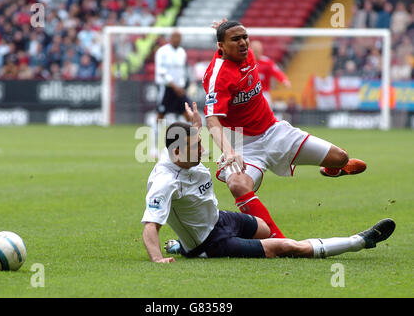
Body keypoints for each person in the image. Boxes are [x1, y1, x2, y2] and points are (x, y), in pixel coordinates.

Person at [141, 102, 395, 262]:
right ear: (176, 154)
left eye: (199, 143)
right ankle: (360, 241)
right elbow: (150, 226)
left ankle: (183, 245)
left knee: (263, 228)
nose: (202, 150)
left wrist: (196, 124)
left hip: (220, 219)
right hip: (210, 242)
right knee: (283, 246)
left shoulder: (180, 152)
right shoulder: (165, 181)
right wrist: (157, 259)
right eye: (195, 147)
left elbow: (187, 141)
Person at [202, 20, 367, 239]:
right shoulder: (218, 77)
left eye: (245, 37)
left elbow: (233, 42)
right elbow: (212, 121)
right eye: (236, 39)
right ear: (221, 46)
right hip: (245, 146)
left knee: (341, 157)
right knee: (237, 185)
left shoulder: (247, 54)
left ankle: (334, 169)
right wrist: (229, 151)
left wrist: (225, 29)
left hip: (275, 132)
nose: (243, 43)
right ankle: (276, 239)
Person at [152, 30, 191, 156]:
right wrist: (174, 86)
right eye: (175, 37)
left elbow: (183, 72)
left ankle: (194, 146)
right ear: (170, 38)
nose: (177, 39)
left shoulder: (182, 52)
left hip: (179, 89)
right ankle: (153, 147)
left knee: (189, 116)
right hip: (166, 88)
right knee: (160, 116)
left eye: (179, 37)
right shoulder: (162, 52)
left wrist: (183, 85)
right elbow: (161, 71)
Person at [250, 40, 291, 105]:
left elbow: (277, 72)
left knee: (266, 112)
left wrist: (284, 80)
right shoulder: (245, 63)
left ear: (261, 50)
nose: (256, 53)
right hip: (249, 94)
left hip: (264, 94)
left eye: (257, 50)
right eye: (254, 50)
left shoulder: (267, 62)